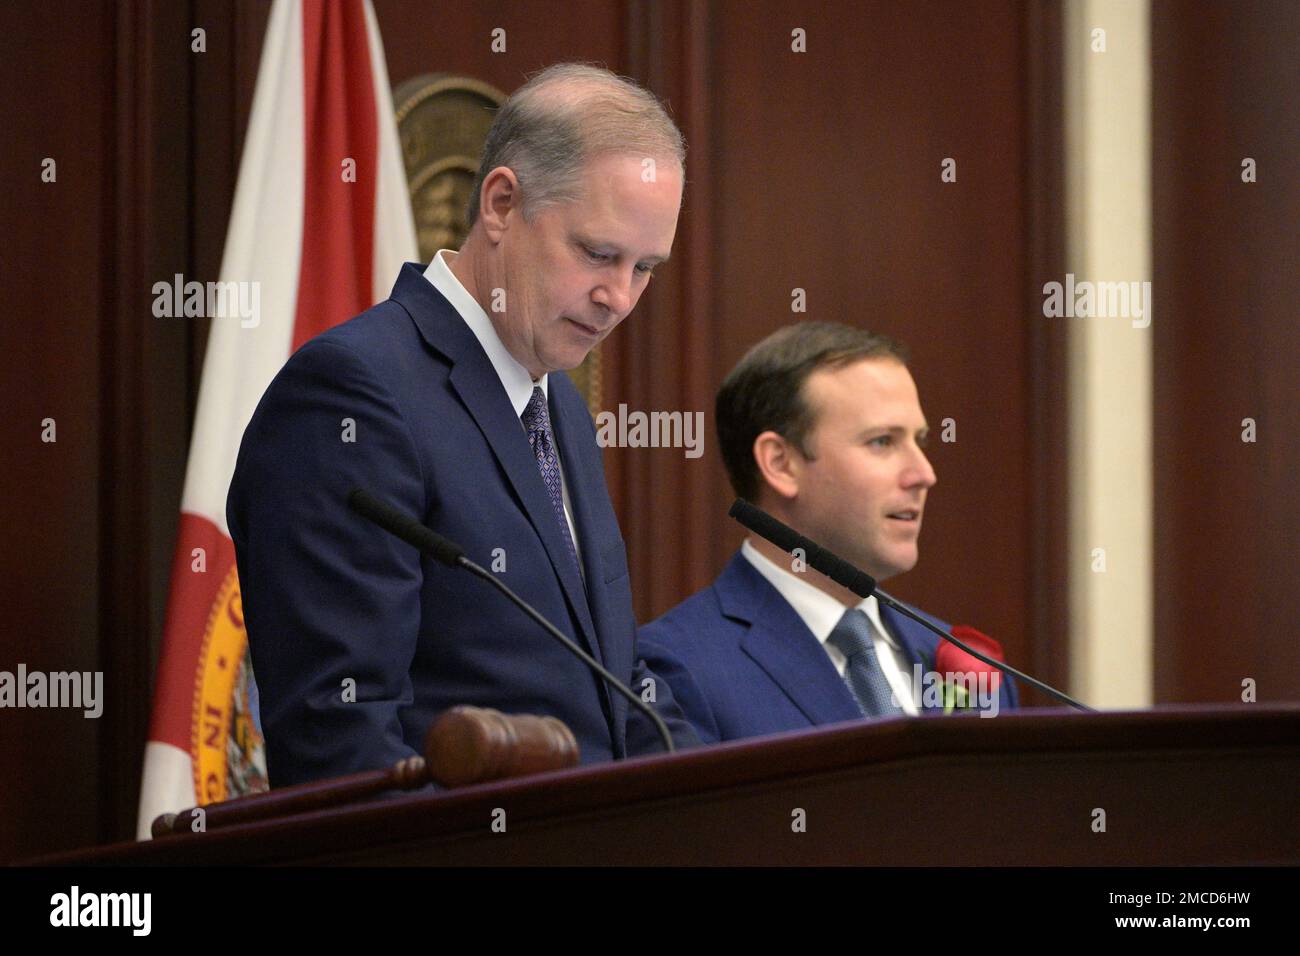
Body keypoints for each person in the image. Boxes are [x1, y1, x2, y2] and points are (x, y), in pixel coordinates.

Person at [227, 63, 699, 787]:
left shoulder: (559, 405)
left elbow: (608, 693)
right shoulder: (353, 394)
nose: (620, 298)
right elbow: (341, 744)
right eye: (599, 254)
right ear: (502, 204)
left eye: (646, 268)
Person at [638, 321, 1019, 744]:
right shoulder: (676, 669)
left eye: (920, 440)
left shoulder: (967, 664)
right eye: (882, 442)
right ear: (781, 464)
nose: (924, 474)